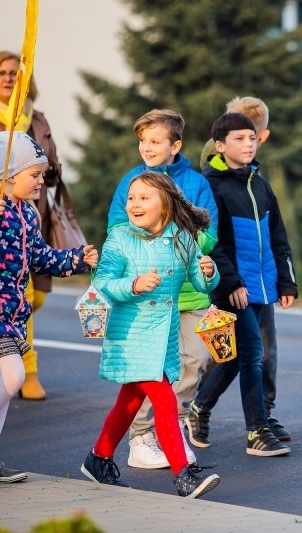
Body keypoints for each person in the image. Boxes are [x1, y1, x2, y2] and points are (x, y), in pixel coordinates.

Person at [0, 131, 97, 483]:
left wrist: (76, 259)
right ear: (10, 173)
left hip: (12, 312)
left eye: (42, 175)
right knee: (14, 377)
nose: (40, 182)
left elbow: (40, 258)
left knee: (1, 384)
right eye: (34, 175)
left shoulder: (27, 213)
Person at [82, 171, 220, 498]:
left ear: (166, 205)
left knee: (130, 401)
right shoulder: (119, 238)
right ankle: (183, 474)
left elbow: (198, 284)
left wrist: (209, 275)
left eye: (145, 198)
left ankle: (98, 458)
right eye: (132, 198)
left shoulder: (182, 237)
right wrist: (134, 284)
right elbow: (102, 284)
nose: (135, 204)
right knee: (164, 399)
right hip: (132, 333)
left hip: (164, 334)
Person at [107, 109, 218, 470]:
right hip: (149, 295)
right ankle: (142, 437)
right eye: (142, 141)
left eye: (155, 141)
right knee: (150, 371)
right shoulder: (131, 181)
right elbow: (117, 229)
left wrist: (189, 251)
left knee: (195, 362)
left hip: (190, 291)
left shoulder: (197, 182)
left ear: (176, 145)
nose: (147, 147)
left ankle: (171, 425)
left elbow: (209, 231)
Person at [0, 50, 65, 400]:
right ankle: (23, 367)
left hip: (32, 213)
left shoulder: (38, 118)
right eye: (2, 73)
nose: (8, 79)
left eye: (15, 74)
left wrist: (44, 169)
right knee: (23, 293)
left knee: (32, 296)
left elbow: (50, 164)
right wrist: (7, 175)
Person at [193, 112, 297, 457]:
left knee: (238, 356)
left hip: (262, 286)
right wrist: (231, 282)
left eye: (252, 138)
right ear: (220, 146)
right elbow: (210, 241)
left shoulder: (260, 185)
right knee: (252, 353)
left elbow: (278, 237)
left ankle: (198, 408)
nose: (248, 144)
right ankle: (257, 431)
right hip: (232, 288)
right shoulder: (212, 187)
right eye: (239, 138)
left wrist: (286, 281)